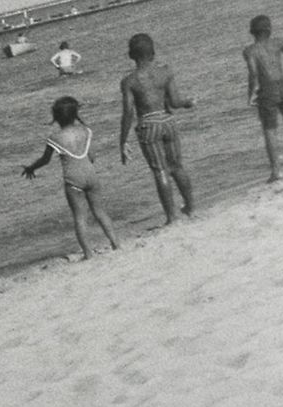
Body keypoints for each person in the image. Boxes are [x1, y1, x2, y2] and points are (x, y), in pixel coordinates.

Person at [21, 96, 122, 261]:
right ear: (76, 114)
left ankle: (88, 254)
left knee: (80, 217)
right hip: (91, 175)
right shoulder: (86, 131)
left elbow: (45, 160)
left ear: (56, 117)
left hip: (73, 179)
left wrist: (31, 168)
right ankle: (116, 244)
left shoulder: (54, 138)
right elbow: (92, 156)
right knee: (100, 212)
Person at [119, 32, 199, 223]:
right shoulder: (165, 72)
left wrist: (122, 141)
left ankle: (172, 216)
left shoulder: (129, 81)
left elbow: (128, 112)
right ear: (153, 52)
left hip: (148, 124)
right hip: (167, 121)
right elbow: (175, 101)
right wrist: (188, 102)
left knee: (160, 170)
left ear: (131, 55)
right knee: (177, 166)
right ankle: (190, 207)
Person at [243, 15, 283, 184]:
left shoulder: (250, 51)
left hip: (267, 90)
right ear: (269, 29)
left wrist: (251, 94)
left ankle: (276, 170)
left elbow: (253, 74)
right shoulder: (278, 43)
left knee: (270, 130)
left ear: (252, 32)